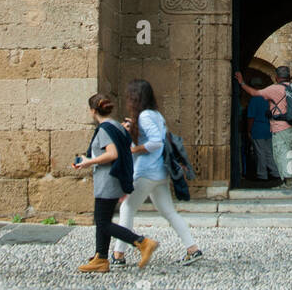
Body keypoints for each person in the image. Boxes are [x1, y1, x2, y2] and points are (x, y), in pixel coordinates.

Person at [112, 79, 202, 266]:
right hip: (160, 172)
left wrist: (132, 150)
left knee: (126, 208)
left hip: (146, 172)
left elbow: (156, 143)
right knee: (168, 211)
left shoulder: (144, 116)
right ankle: (193, 249)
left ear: (135, 97)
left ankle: (118, 255)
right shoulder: (156, 115)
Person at [74, 92, 158, 273]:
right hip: (116, 180)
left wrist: (88, 162)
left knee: (102, 222)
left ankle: (143, 242)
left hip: (107, 181)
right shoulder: (117, 126)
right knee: (102, 220)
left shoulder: (104, 129)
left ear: (92, 111)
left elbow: (112, 154)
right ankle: (101, 259)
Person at [235, 65, 292, 190]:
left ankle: (264, 175)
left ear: (276, 77)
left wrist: (241, 82)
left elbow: (251, 115)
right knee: (290, 152)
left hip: (271, 127)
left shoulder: (269, 92)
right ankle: (287, 176)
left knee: (267, 153)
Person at [246, 72, 280, 184]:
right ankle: (275, 172)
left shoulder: (254, 99)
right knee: (269, 152)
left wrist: (249, 130)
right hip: (268, 127)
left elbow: (251, 116)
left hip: (258, 128)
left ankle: (262, 174)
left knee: (260, 152)